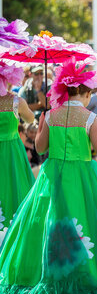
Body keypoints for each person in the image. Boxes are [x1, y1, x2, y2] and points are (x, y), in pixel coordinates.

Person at [0, 58, 97, 294]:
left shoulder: (52, 115)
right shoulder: (89, 118)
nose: (89, 98)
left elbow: (40, 149)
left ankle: (46, 267)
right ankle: (85, 269)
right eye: (88, 93)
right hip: (82, 177)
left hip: (53, 176)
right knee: (86, 218)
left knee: (52, 218)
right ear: (82, 92)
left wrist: (43, 124)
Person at [0, 62, 35, 238]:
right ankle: (14, 230)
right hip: (11, 151)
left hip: (10, 150)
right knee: (14, 186)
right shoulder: (16, 101)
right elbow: (30, 118)